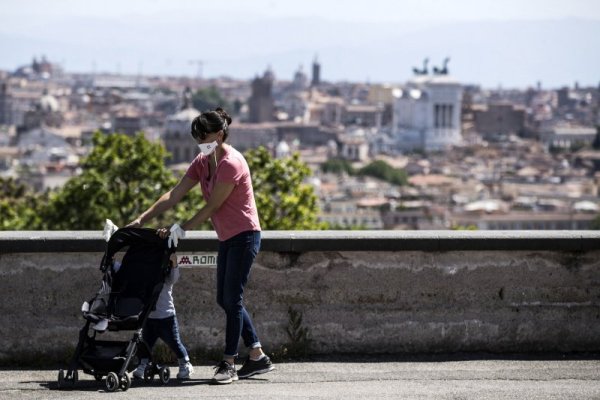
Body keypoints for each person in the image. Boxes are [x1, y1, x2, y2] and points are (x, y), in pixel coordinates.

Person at [128, 107, 274, 384]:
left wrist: (182, 228)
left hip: (245, 235)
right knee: (226, 299)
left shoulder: (232, 163)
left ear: (220, 134)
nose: (200, 142)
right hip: (228, 237)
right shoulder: (202, 161)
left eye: (204, 136)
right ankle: (257, 355)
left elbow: (213, 205)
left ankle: (229, 363)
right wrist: (141, 218)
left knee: (232, 300)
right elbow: (174, 194)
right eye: (197, 137)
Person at [132, 253, 194, 380]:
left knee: (175, 343)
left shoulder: (165, 276)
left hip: (167, 317)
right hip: (149, 318)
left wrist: (174, 262)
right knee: (145, 345)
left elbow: (174, 278)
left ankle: (185, 364)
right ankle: (143, 364)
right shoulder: (144, 277)